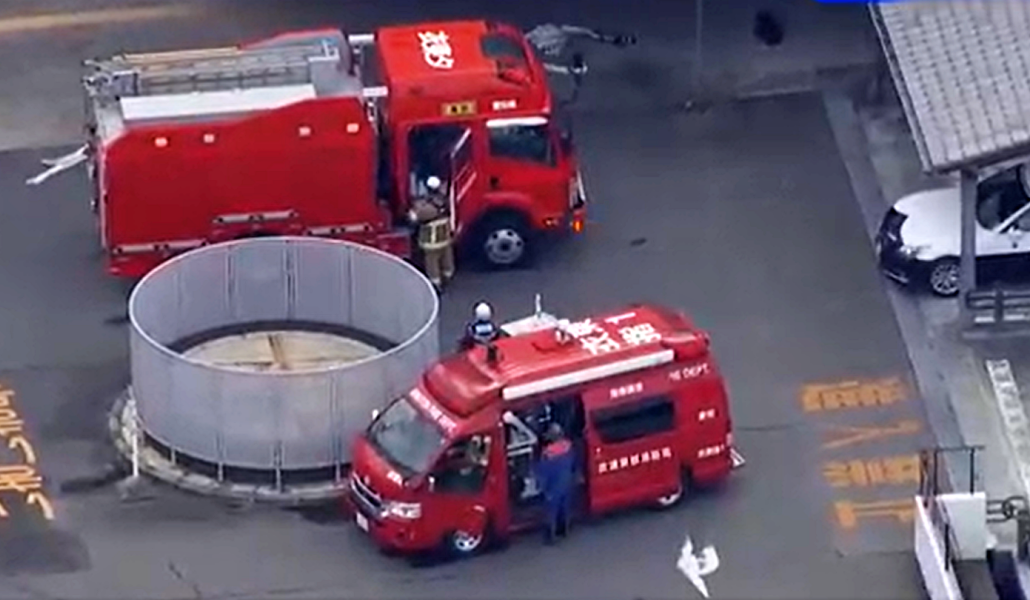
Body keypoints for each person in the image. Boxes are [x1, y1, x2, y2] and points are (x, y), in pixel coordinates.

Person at [408, 175, 454, 290]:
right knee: (446, 261)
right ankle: (447, 277)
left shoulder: (426, 208)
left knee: (432, 264)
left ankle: (436, 284)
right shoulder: (445, 201)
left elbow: (413, 218)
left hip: (431, 243)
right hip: (445, 239)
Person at [534, 422, 576, 544]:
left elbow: (544, 472)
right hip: (566, 482)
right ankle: (563, 530)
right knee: (564, 508)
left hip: (553, 486)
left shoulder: (548, 453)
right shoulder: (568, 446)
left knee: (551, 511)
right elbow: (573, 464)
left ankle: (550, 536)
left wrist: (542, 487)